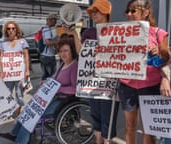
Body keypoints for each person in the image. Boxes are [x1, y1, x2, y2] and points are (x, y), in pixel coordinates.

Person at [0, 34, 78, 144]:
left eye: (66, 51)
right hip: (52, 96)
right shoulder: (62, 64)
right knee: (29, 109)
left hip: (62, 100)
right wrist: (46, 81)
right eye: (60, 51)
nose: (62, 54)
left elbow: (75, 89)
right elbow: (54, 78)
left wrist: (59, 89)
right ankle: (14, 133)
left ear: (72, 51)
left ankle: (21, 140)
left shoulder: (74, 66)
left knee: (33, 115)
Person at [64, 0, 120, 143]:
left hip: (109, 83)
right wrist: (75, 35)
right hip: (91, 81)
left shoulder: (117, 31)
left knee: (108, 116)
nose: (93, 14)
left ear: (106, 13)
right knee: (96, 116)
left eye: (96, 11)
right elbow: (81, 52)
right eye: (92, 12)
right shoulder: (89, 32)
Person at [118, 0, 171, 144]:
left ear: (146, 12)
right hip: (127, 86)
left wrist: (159, 51)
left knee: (149, 129)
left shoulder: (159, 33)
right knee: (130, 127)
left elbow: (168, 58)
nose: (129, 14)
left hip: (150, 86)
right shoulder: (121, 33)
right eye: (128, 11)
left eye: (133, 11)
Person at [0, 21, 30, 116]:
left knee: (19, 94)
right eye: (8, 28)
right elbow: (1, 58)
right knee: (7, 93)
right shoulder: (3, 43)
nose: (11, 30)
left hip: (20, 73)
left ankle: (17, 111)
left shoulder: (22, 42)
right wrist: (1, 71)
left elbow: (26, 57)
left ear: (16, 29)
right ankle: (9, 109)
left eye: (13, 28)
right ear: (6, 31)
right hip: (8, 74)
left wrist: (27, 70)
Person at [39, 14, 59, 81]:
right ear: (50, 20)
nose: (55, 22)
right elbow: (48, 42)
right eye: (55, 20)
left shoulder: (44, 29)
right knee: (52, 76)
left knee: (45, 75)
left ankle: (42, 89)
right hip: (48, 56)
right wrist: (58, 42)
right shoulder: (47, 29)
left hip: (44, 55)